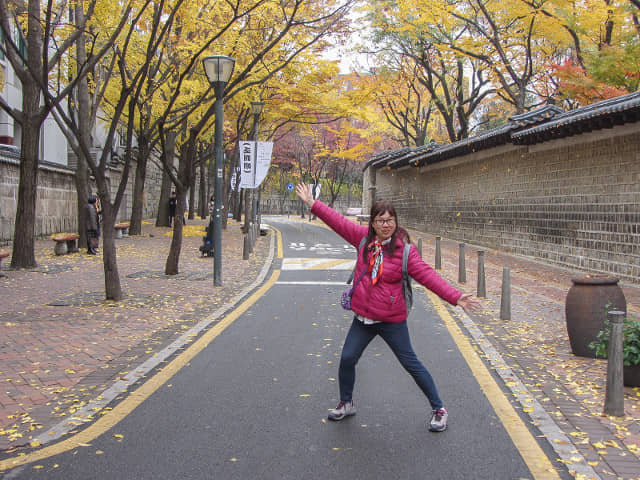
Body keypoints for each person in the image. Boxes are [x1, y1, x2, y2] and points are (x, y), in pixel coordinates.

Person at [295, 182, 480, 432]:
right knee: (347, 358)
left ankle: (439, 409)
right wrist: (312, 203)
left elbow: (428, 276)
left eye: (390, 220)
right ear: (372, 223)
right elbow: (336, 221)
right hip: (363, 319)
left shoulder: (406, 252)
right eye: (380, 220)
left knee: (411, 364)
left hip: (392, 320)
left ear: (395, 222)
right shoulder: (362, 239)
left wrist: (455, 297)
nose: (385, 224)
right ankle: (346, 402)